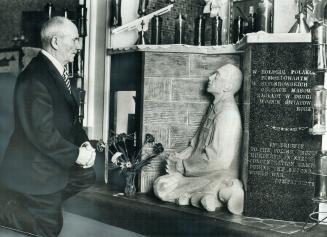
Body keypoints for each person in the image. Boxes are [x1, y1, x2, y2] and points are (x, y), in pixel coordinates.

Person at [0, 17, 96, 237]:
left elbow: (70, 119)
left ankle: (28, 203)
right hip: (33, 171)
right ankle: (7, 209)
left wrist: (84, 144)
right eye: (75, 39)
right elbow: (42, 134)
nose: (79, 46)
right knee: (49, 228)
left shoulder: (55, 72)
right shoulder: (36, 78)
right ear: (55, 42)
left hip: (48, 160)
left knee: (87, 175)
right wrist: (76, 155)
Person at [153, 63, 244, 214]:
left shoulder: (228, 114)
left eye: (217, 75)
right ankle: (208, 197)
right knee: (161, 185)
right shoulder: (214, 107)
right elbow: (196, 144)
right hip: (201, 172)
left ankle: (220, 193)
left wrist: (183, 166)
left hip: (215, 174)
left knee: (162, 187)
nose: (210, 77)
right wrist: (179, 157)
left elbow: (219, 161)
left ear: (227, 86)